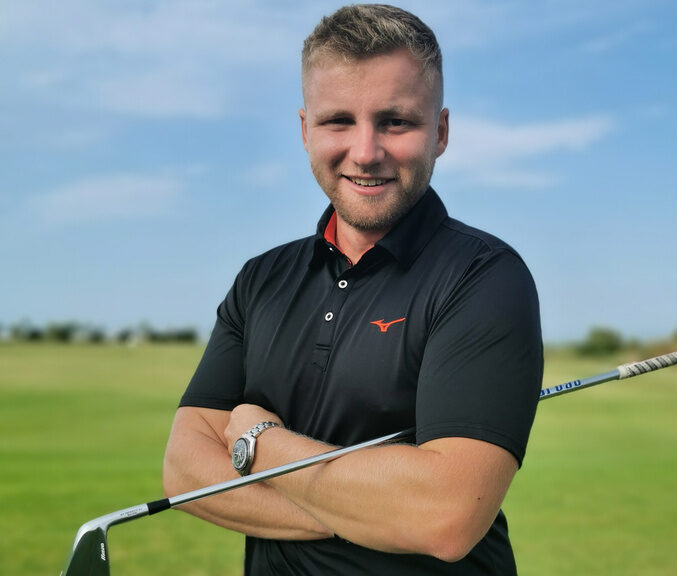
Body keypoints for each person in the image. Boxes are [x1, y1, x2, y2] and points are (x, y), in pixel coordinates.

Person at [163, 4, 543, 575]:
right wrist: (377, 513)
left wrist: (260, 441)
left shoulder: (484, 276)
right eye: (338, 121)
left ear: (440, 132)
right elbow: (184, 472)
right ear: (305, 131)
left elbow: (445, 517)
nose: (365, 152)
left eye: (396, 122)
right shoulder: (261, 279)